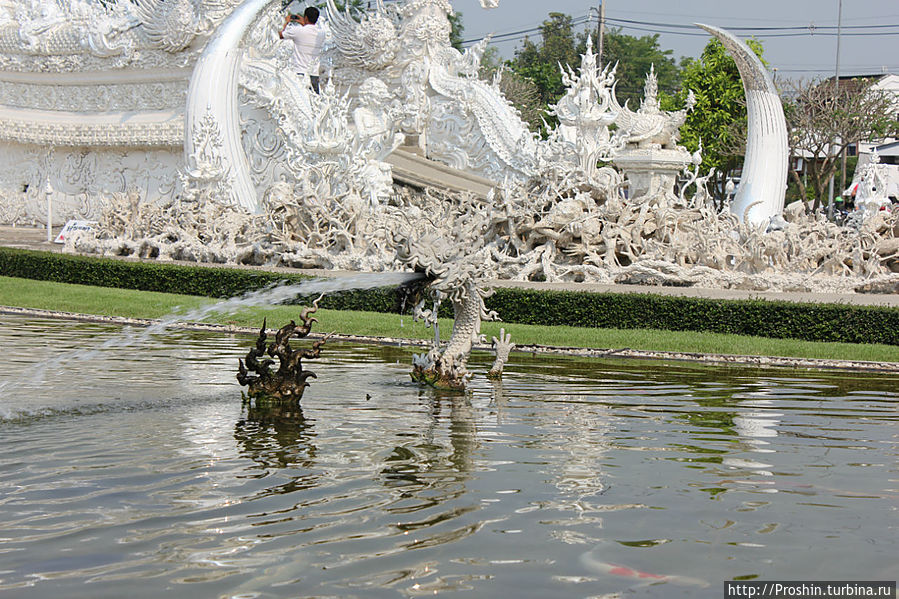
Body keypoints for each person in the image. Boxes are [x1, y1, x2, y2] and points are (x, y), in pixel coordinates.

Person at [279, 7, 326, 93]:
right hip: (314, 74)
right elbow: (309, 30)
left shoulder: (297, 31)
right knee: (314, 99)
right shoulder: (321, 33)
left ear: (306, 17)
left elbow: (280, 35)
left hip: (300, 74)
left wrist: (286, 21)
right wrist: (304, 23)